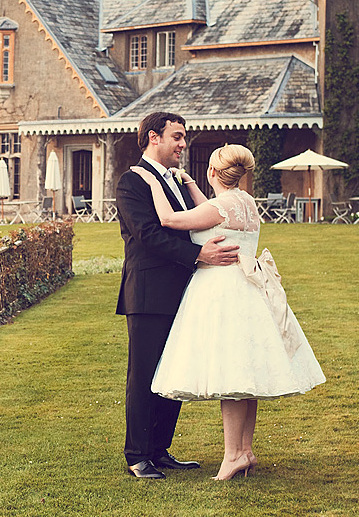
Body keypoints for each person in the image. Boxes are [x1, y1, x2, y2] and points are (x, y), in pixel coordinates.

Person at [130, 144, 325, 481]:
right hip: (250, 290)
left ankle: (234, 455)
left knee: (233, 374)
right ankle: (245, 450)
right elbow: (211, 206)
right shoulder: (246, 203)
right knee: (246, 372)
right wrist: (192, 183)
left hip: (222, 291)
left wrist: (151, 185)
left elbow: (168, 219)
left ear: (213, 173)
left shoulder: (218, 209)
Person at [116, 112, 240, 480]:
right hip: (149, 292)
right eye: (178, 137)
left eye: (184, 137)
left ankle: (160, 449)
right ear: (154, 137)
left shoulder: (177, 182)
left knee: (173, 371)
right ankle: (138, 455)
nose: (183, 144)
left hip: (184, 291)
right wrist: (199, 256)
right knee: (144, 375)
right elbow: (146, 235)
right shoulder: (132, 181)